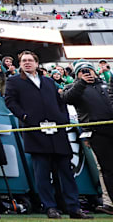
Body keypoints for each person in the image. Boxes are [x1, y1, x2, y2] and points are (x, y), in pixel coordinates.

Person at [4, 51, 91, 219]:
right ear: (20, 64)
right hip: (35, 131)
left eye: (30, 60)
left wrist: (62, 119)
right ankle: (50, 207)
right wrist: (25, 117)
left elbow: (61, 101)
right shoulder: (14, 81)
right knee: (42, 173)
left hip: (57, 132)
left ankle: (74, 208)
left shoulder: (49, 81)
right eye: (24, 61)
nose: (27, 63)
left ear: (37, 63)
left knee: (66, 171)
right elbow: (10, 102)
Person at [62, 61, 113, 215]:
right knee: (109, 169)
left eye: (89, 69)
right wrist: (81, 83)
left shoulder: (104, 85)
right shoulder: (73, 87)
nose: (87, 73)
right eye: (83, 71)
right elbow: (67, 98)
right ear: (77, 74)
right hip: (97, 131)